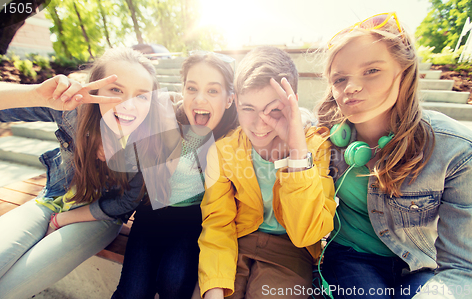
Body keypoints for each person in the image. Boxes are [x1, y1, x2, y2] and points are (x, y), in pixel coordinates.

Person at [0, 47, 172, 299]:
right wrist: (36, 94)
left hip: (100, 217)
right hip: (51, 201)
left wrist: (61, 221)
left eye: (142, 96)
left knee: (1, 294)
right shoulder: (72, 112)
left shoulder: (152, 136)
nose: (127, 104)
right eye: (116, 90)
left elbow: (125, 202)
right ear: (95, 89)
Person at [317, 12, 472, 299]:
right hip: (352, 258)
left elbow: (462, 266)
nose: (350, 87)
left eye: (371, 71)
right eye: (340, 79)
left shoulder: (456, 149)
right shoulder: (326, 140)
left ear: (405, 71)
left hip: (422, 265)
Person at [198, 46, 336, 299]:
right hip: (236, 243)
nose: (260, 123)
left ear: (292, 102)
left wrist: (296, 154)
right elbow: (218, 223)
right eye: (248, 108)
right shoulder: (223, 151)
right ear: (236, 102)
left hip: (291, 250)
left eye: (274, 109)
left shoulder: (315, 148)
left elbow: (307, 233)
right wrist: (214, 287)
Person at [111, 52, 238, 299]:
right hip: (152, 211)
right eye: (192, 88)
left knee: (175, 281)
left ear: (230, 98)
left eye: (213, 91)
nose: (199, 99)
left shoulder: (232, 137)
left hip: (193, 218)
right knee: (133, 292)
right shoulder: (164, 118)